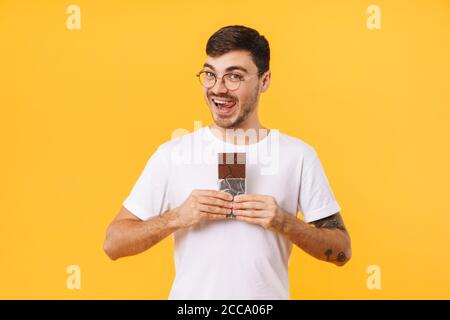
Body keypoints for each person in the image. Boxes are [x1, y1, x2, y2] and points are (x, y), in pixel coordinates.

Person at [103, 25, 351, 299]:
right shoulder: (173, 154)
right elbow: (113, 244)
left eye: (234, 76)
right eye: (210, 74)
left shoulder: (298, 155)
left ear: (264, 80)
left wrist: (284, 222)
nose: (218, 89)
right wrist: (176, 217)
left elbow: (341, 251)